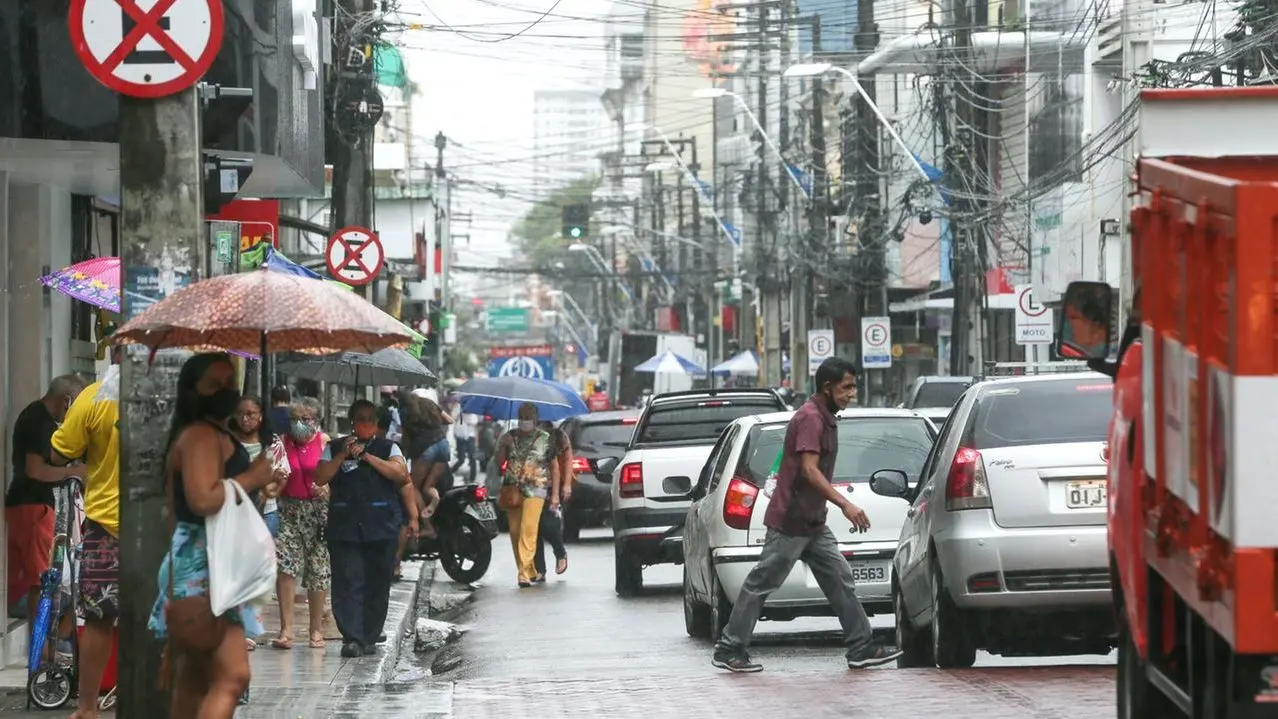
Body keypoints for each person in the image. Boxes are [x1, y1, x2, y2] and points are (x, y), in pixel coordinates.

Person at [712, 357, 901, 673]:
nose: (851, 393)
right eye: (846, 387)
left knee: (840, 579)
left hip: (812, 522)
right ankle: (729, 647)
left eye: (854, 386)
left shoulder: (825, 416)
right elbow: (810, 472)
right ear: (827, 388)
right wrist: (846, 504)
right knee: (762, 582)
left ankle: (860, 646)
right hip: (791, 521)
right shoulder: (811, 419)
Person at [147, 353, 277, 718]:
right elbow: (203, 498)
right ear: (193, 391)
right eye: (215, 385)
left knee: (194, 678)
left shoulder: (206, 433)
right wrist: (252, 476)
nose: (226, 392)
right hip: (202, 568)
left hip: (196, 563)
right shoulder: (202, 435)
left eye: (230, 384)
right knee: (233, 676)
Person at [48, 357, 121, 719]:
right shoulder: (179, 399)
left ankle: (88, 707)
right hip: (164, 526)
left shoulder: (94, 398)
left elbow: (59, 451)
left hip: (106, 525)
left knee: (98, 618)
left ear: (118, 356)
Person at [314, 400, 415, 658]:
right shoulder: (334, 446)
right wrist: (342, 455)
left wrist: (367, 456)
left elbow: (400, 474)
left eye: (370, 418)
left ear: (377, 423)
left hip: (381, 527)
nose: (365, 423)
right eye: (360, 418)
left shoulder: (388, 447)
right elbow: (320, 476)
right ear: (352, 421)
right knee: (347, 581)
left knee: (377, 582)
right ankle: (352, 637)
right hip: (344, 526)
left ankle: (370, 635)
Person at [6, 375, 86, 646]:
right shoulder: (37, 421)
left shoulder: (35, 416)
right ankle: (41, 651)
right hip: (33, 507)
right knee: (41, 583)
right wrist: (75, 471)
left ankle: (41, 648)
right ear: (67, 401)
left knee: (26, 581)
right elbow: (35, 469)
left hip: (28, 506)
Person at [271, 396, 331, 650]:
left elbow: (334, 474)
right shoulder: (281, 443)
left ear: (316, 421)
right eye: (294, 419)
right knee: (286, 567)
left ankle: (315, 630)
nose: (299, 424)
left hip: (318, 512)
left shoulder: (325, 442)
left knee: (318, 569)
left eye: (305, 419)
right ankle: (286, 630)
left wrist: (326, 487)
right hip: (288, 509)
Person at [494, 404, 560, 588]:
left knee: (528, 529)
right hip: (512, 488)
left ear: (536, 418)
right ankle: (529, 569)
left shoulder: (545, 438)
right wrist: (502, 446)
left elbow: (554, 467)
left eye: (528, 416)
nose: (525, 420)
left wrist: (555, 495)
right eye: (522, 416)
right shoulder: (510, 436)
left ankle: (522, 572)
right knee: (514, 531)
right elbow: (499, 462)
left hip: (536, 488)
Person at [398, 389, 452, 538]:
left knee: (412, 486)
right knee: (428, 486)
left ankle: (428, 527)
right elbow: (450, 420)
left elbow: (405, 438)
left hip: (425, 450)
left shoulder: (405, 411)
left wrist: (403, 455)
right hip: (443, 446)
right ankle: (434, 497)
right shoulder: (429, 404)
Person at [533, 420, 572, 580]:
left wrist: (566, 485)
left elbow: (567, 461)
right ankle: (539, 570)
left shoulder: (559, 436)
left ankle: (560, 552)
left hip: (553, 486)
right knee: (533, 528)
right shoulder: (526, 436)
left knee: (549, 525)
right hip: (532, 486)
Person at [450, 406, 480, 484]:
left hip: (470, 437)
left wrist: (476, 441)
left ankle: (472, 479)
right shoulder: (459, 409)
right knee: (461, 459)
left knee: (472, 458)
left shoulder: (473, 413)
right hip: (461, 437)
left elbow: (475, 426)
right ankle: (449, 472)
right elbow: (452, 419)